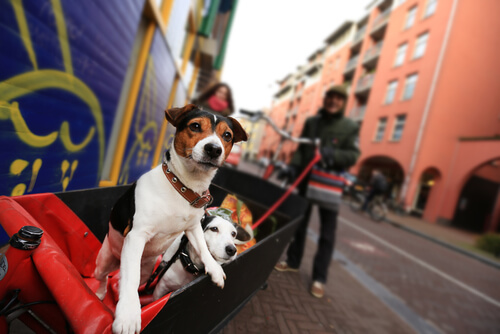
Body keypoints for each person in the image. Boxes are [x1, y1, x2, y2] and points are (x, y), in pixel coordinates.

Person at [274, 85, 360, 298]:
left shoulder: (350, 126)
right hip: (306, 180)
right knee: (299, 224)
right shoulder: (312, 122)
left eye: (338, 99)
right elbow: (302, 149)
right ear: (326, 99)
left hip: (328, 184)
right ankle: (293, 261)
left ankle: (319, 277)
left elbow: (353, 155)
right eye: (330, 97)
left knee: (327, 233)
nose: (333, 101)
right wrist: (293, 167)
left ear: (343, 102)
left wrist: (334, 154)